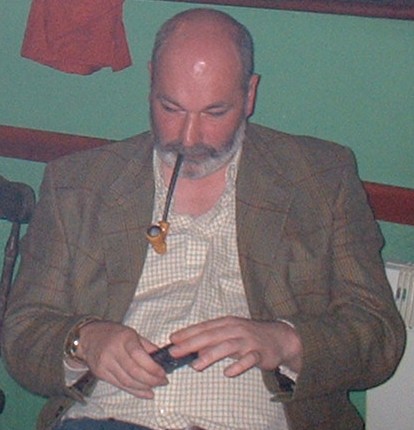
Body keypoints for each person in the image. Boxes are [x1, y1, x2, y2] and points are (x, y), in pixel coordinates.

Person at [1, 8, 405, 430]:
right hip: (105, 420)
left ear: (249, 95)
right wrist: (84, 340)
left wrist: (286, 341)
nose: (188, 137)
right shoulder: (78, 183)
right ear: (151, 82)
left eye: (214, 113)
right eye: (171, 108)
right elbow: (22, 337)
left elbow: (379, 335)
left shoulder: (320, 178)